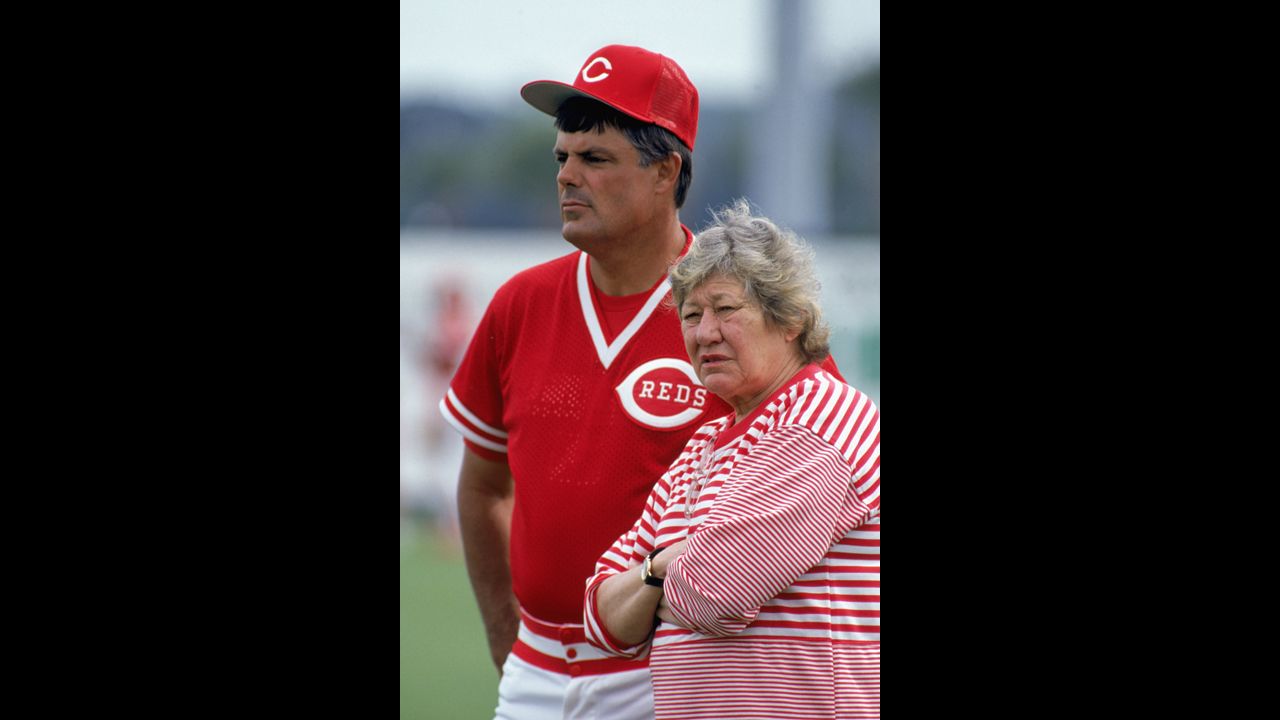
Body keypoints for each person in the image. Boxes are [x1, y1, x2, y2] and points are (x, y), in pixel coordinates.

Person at [439, 46, 843, 720]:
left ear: (666, 171)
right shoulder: (520, 303)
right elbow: (483, 484)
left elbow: (816, 487)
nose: (567, 175)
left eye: (595, 159)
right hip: (534, 670)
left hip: (675, 669)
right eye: (561, 157)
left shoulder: (739, 316)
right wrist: (507, 642)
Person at [584, 201, 881, 719]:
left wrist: (652, 576)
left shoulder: (823, 418)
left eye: (725, 310)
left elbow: (715, 591)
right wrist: (666, 566)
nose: (704, 334)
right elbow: (601, 619)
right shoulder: (705, 444)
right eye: (692, 315)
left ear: (789, 319)